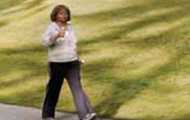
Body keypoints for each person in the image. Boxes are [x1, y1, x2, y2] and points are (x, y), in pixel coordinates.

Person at [41, 4, 97, 120]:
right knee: (53, 90)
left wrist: (77, 58)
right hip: (57, 63)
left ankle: (85, 114)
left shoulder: (70, 27)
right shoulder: (51, 27)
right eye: (61, 13)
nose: (64, 16)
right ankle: (48, 116)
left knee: (77, 88)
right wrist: (56, 36)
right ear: (55, 15)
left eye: (66, 13)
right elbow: (45, 42)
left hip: (72, 62)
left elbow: (72, 44)